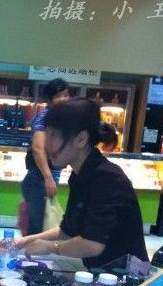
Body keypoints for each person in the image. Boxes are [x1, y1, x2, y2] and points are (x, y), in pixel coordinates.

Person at [15, 97, 148, 267]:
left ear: (81, 139)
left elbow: (92, 244)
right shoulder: (78, 175)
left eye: (54, 135)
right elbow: (67, 231)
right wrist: (23, 242)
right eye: (47, 133)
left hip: (128, 275)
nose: (47, 144)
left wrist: (50, 247)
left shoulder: (107, 177)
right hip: (102, 271)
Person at [22, 78, 70, 235]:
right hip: (38, 181)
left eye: (66, 95)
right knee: (38, 232)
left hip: (43, 181)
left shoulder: (61, 118)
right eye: (58, 96)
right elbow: (37, 148)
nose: (63, 99)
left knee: (42, 229)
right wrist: (48, 178)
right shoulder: (45, 117)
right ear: (49, 99)